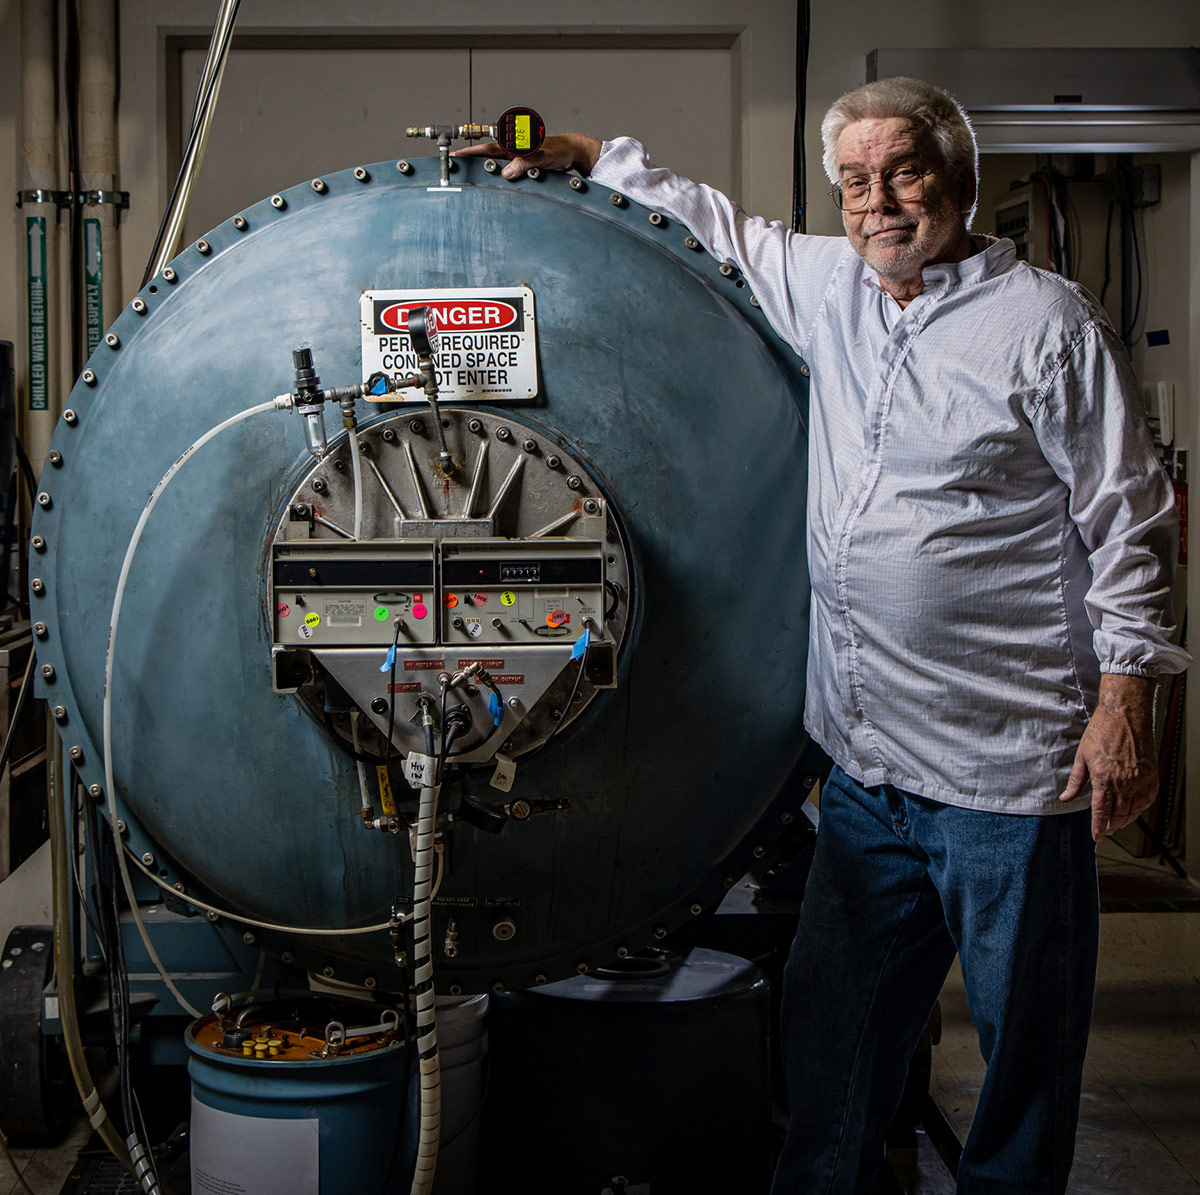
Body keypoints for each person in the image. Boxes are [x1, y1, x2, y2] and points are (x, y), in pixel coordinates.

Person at [456, 77, 1190, 1194]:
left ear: (962, 180)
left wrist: (1126, 703)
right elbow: (716, 223)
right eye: (854, 180)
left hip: (1010, 775)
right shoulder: (837, 286)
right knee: (832, 1032)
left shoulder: (1044, 325)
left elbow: (1130, 518)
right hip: (867, 770)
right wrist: (585, 152)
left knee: (1023, 1057)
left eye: (903, 173)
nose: (877, 202)